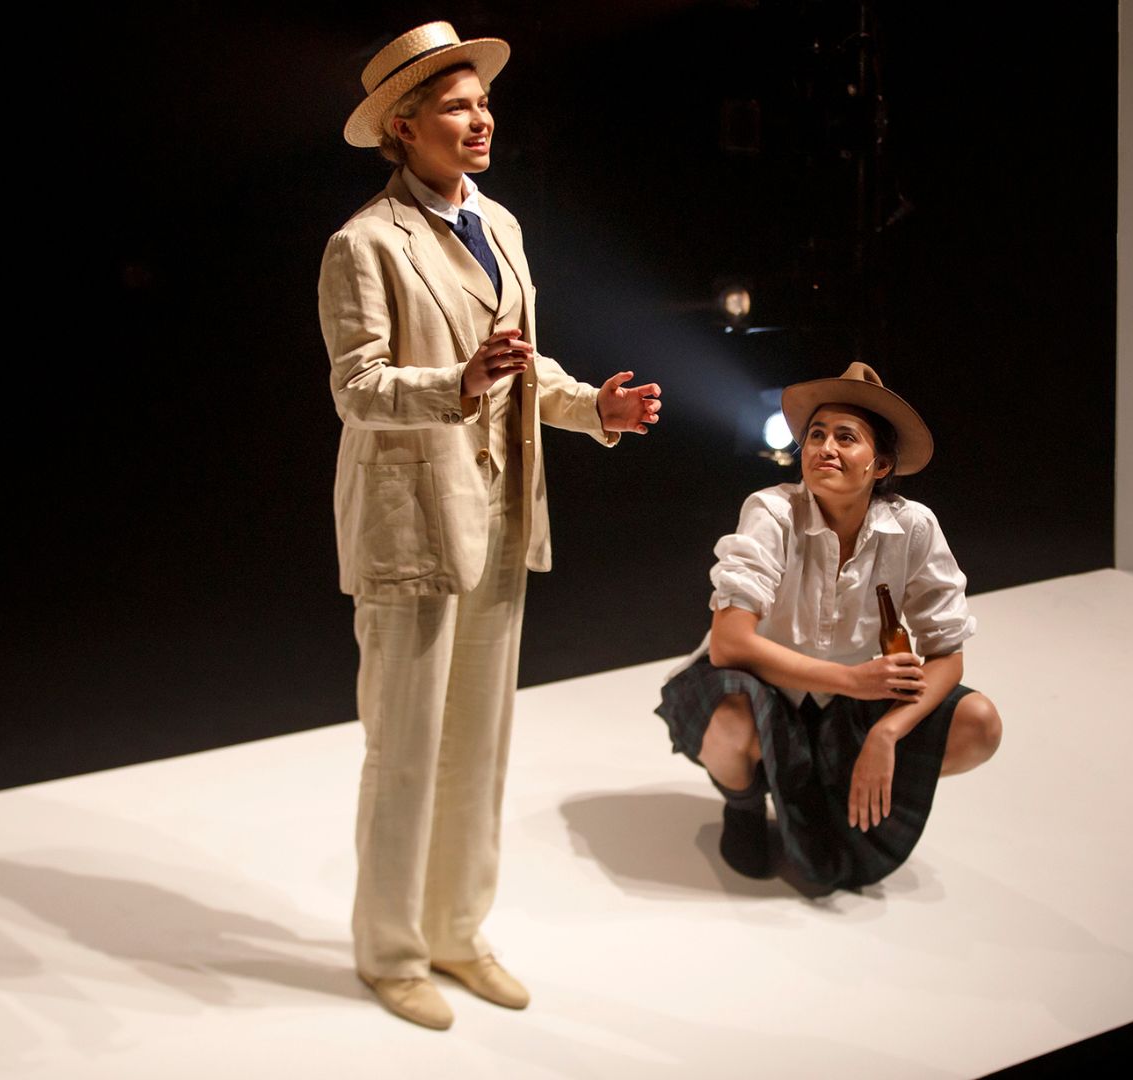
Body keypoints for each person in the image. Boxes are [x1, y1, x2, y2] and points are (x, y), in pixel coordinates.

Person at [318, 20, 661, 1030]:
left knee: (480, 744)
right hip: (411, 518)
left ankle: (459, 931)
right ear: (404, 125)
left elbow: (525, 369)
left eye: (483, 102)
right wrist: (456, 385)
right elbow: (360, 388)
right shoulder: (364, 243)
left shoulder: (500, 225)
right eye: (459, 106)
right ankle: (391, 952)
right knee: (407, 749)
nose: (482, 120)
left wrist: (591, 407)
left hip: (502, 513)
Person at [657, 363, 1000, 890]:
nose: (824, 448)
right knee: (730, 717)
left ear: (880, 464)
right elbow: (729, 645)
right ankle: (744, 804)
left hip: (849, 704)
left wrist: (887, 732)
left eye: (846, 437)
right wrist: (851, 680)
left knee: (979, 722)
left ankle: (835, 784)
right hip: (763, 685)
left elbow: (947, 653)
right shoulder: (773, 511)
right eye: (816, 435)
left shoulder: (912, 526)